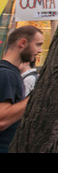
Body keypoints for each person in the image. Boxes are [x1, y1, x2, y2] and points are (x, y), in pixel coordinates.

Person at [0, 25, 43, 153]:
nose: (40, 50)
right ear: (23, 42)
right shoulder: (6, 74)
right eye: (38, 44)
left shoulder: (10, 72)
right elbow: (2, 120)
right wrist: (36, 96)